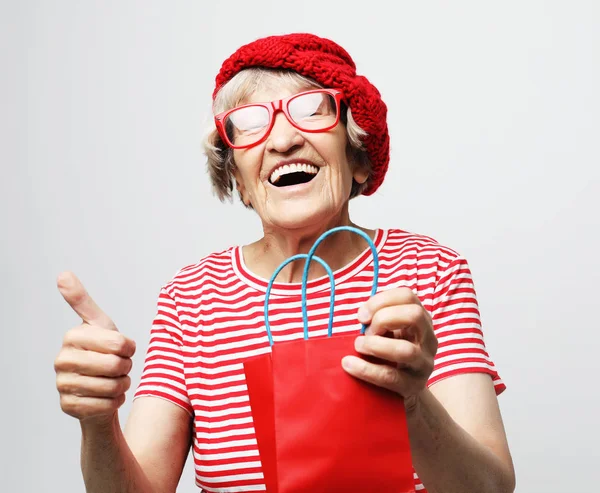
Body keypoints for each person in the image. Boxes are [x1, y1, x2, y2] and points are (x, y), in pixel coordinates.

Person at [54, 33, 516, 493]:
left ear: (357, 157)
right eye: (251, 124)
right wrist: (98, 422)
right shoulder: (190, 298)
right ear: (236, 176)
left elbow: (490, 489)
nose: (284, 140)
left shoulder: (429, 271)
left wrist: (412, 403)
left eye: (312, 111)